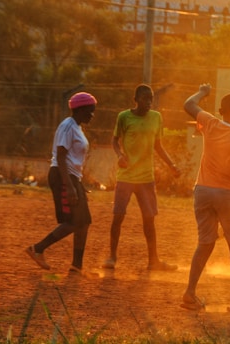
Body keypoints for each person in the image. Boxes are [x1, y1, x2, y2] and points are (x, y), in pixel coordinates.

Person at [181, 83, 230, 313]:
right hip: (228, 193)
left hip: (202, 190)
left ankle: (190, 293)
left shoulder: (210, 123)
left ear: (221, 111)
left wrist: (203, 92)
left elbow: (188, 105)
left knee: (205, 242)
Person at [102, 84, 180, 271]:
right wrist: (120, 155)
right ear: (135, 99)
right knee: (118, 217)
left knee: (149, 219)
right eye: (145, 99)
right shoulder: (124, 117)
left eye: (151, 99)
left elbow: (158, 146)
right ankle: (112, 257)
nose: (149, 103)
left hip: (146, 177)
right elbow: (114, 140)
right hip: (126, 176)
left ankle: (153, 261)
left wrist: (172, 165)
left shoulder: (156, 118)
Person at [25, 92, 97, 273]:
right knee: (74, 220)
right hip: (62, 175)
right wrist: (70, 186)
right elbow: (61, 155)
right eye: (90, 111)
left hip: (71, 177)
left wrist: (77, 184)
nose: (92, 115)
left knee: (84, 221)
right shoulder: (68, 126)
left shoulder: (77, 127)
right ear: (80, 109)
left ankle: (76, 265)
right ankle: (38, 249)